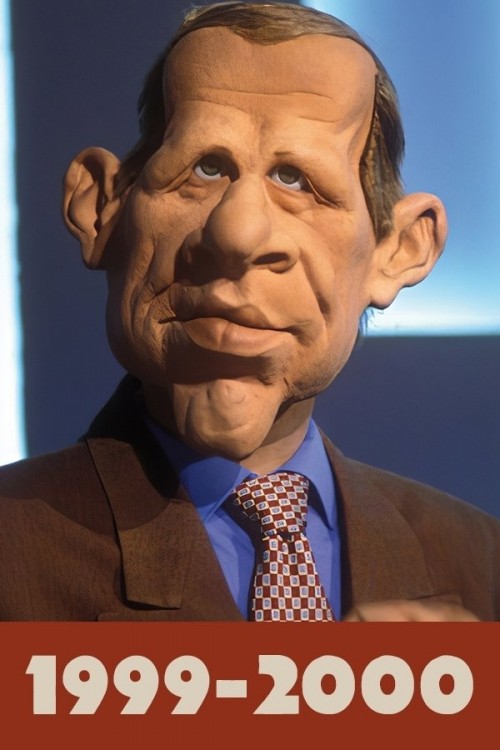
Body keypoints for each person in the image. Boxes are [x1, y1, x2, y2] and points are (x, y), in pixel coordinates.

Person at [0, 2, 498, 621]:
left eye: (298, 180)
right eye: (204, 169)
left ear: (397, 250)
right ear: (102, 210)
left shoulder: (482, 566)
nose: (237, 235)